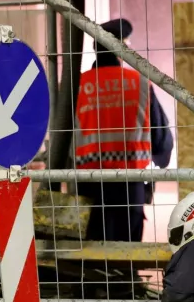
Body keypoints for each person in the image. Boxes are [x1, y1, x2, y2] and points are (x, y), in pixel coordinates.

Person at [74, 18, 174, 242]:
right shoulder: (139, 83)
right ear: (122, 50)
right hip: (130, 183)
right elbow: (162, 140)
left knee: (92, 250)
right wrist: (161, 158)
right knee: (126, 251)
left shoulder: (77, 86)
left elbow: (63, 135)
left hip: (88, 184)